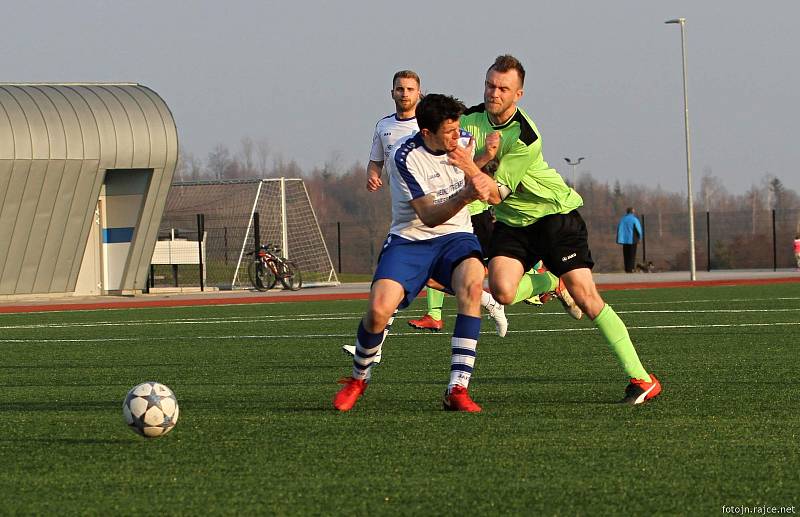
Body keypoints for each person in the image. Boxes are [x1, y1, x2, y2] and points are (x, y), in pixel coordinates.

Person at [451, 55, 661, 405]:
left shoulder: (525, 136)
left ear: (518, 94)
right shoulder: (469, 121)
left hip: (553, 217)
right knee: (502, 291)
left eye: (503, 88)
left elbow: (494, 192)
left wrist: (470, 166)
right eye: (490, 85)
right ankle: (551, 281)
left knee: (587, 299)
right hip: (512, 222)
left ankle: (642, 378)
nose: (494, 93)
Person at [334, 94, 494, 412]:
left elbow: (480, 186)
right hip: (411, 239)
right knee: (379, 311)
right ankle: (359, 378)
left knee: (473, 284)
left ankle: (457, 389)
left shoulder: (463, 140)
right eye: (448, 131)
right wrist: (467, 193)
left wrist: (481, 166)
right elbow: (430, 215)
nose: (456, 136)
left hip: (456, 237)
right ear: (426, 134)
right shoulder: (403, 157)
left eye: (457, 128)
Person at [617, 207, 643, 273]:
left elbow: (619, 229)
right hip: (633, 240)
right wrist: (640, 238)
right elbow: (639, 230)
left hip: (624, 241)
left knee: (626, 255)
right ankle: (631, 268)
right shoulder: (634, 219)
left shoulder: (623, 219)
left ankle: (627, 269)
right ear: (632, 212)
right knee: (632, 255)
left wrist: (619, 239)